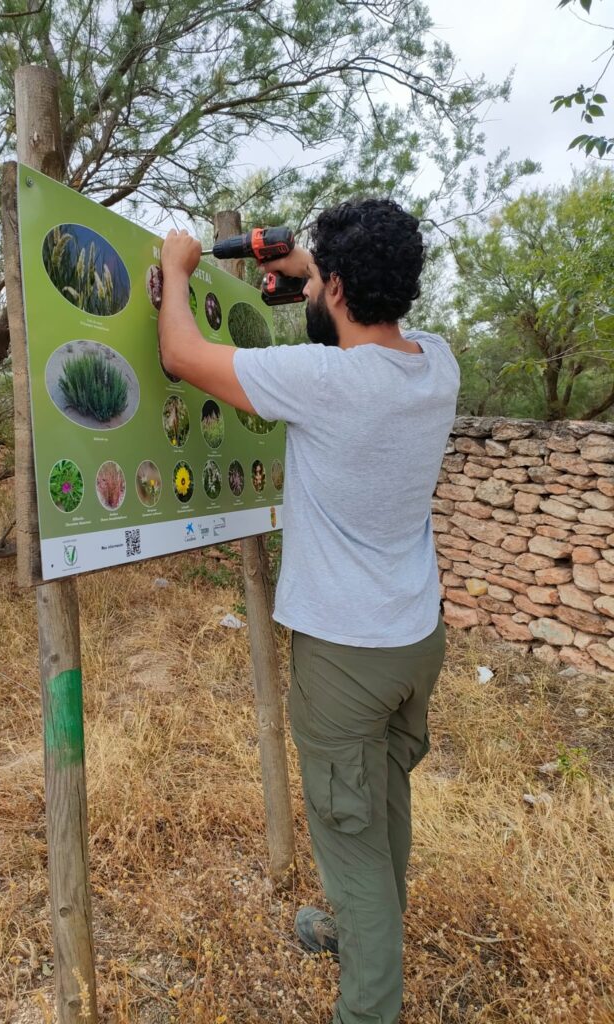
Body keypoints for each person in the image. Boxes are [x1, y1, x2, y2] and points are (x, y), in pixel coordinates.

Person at [158, 198, 460, 1024]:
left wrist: (180, 267)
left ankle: (368, 1006)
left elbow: (182, 353)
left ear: (334, 288)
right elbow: (364, 312)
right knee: (382, 797)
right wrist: (313, 271)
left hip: (345, 655)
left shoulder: (322, 383)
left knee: (347, 827)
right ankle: (361, 931)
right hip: (413, 638)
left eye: (321, 277)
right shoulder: (437, 364)